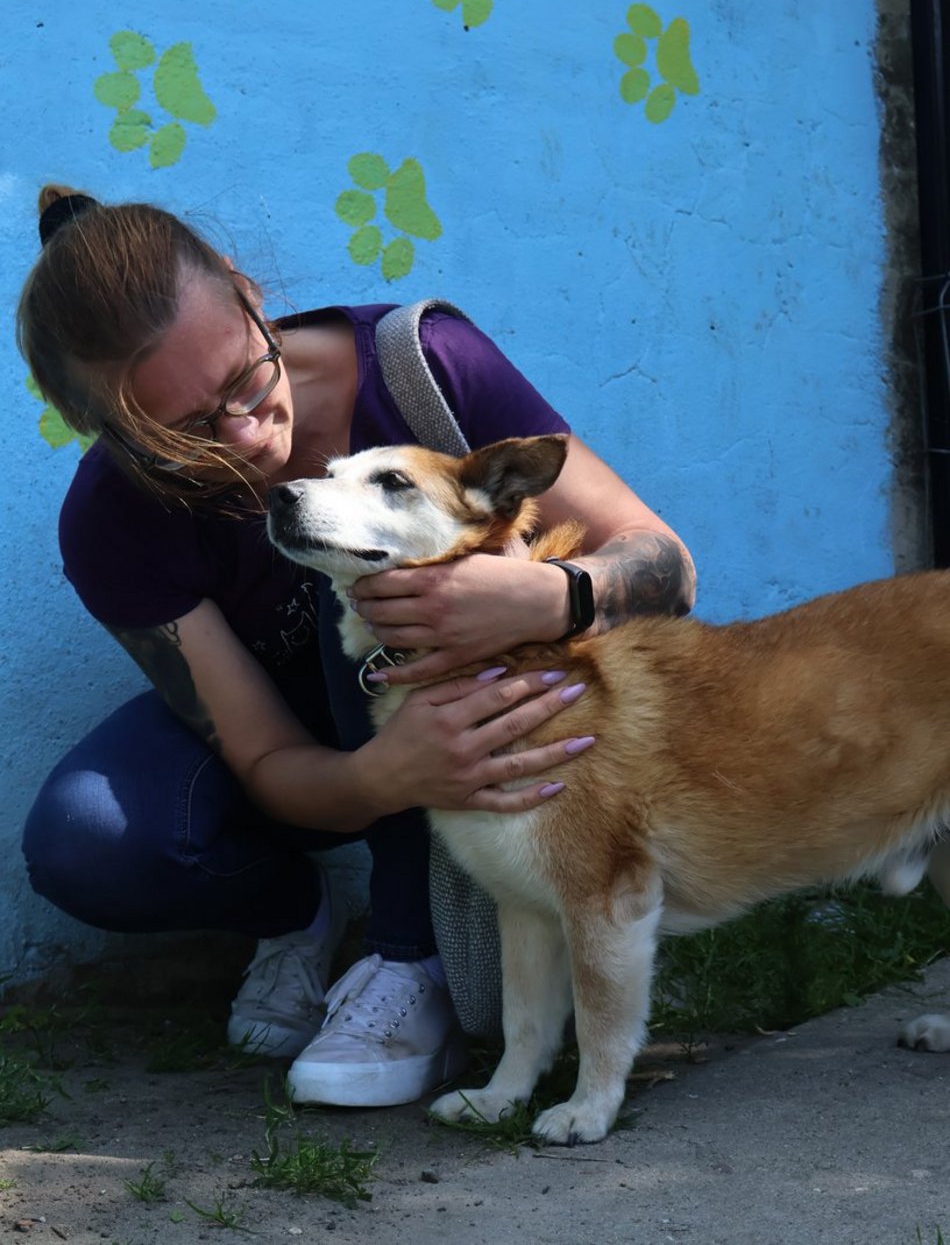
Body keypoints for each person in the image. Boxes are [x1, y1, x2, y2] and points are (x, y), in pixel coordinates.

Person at [18, 185, 696, 1109]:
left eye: (245, 384)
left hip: (466, 700)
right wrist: (389, 775)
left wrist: (542, 596)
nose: (247, 439)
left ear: (249, 294)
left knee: (380, 596)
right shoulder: (109, 520)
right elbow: (260, 752)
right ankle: (299, 920)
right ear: (105, 433)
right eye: (181, 437)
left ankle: (409, 959)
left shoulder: (425, 367)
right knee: (86, 840)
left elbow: (667, 569)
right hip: (326, 759)